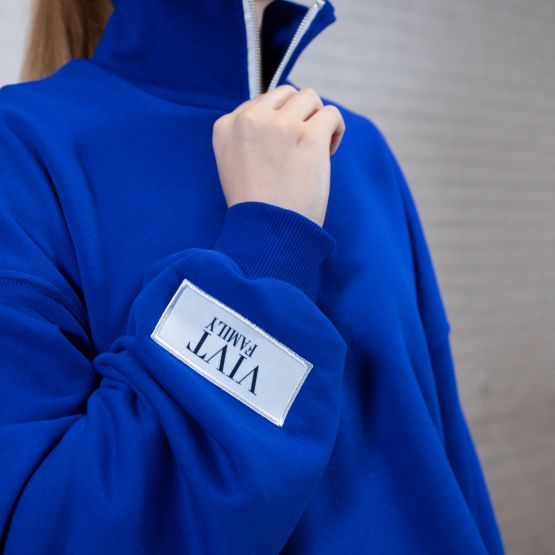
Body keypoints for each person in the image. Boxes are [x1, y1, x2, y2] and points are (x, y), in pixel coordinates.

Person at [0, 0, 505, 553]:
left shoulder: (358, 149)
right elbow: (50, 534)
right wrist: (267, 246)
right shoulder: (21, 146)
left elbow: (444, 451)